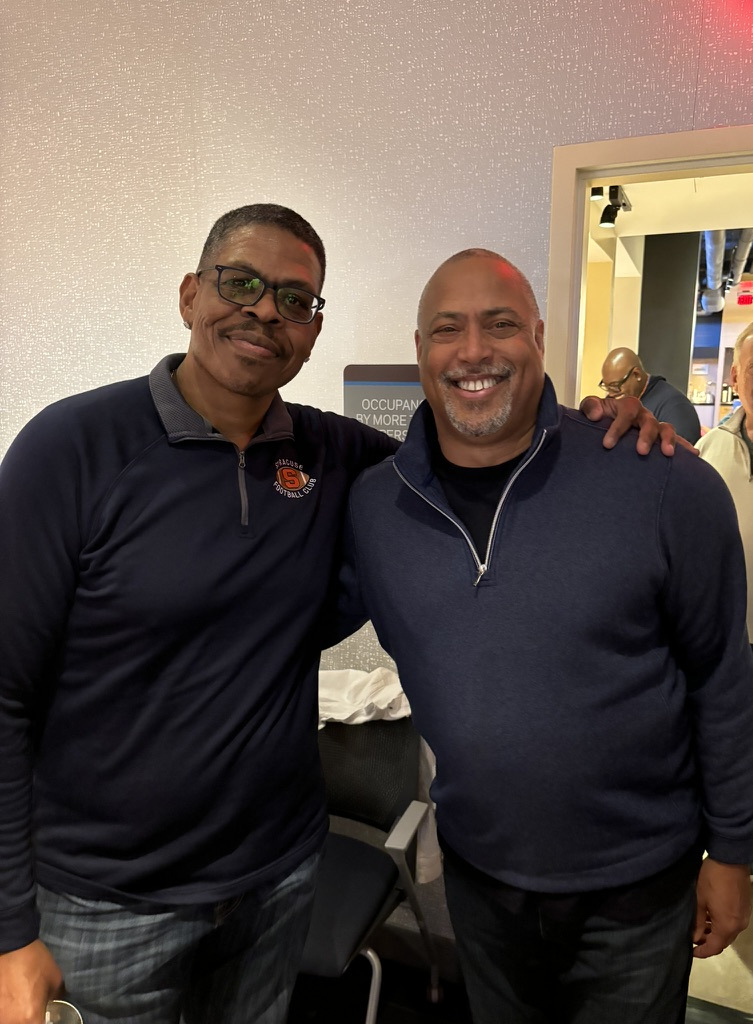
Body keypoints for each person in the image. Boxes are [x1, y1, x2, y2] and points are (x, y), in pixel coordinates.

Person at [0, 205, 675, 1024]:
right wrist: (9, 929)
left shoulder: (334, 456)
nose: (264, 311)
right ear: (189, 295)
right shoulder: (70, 449)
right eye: (239, 283)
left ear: (313, 330)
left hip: (274, 880)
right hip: (102, 904)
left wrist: (598, 429)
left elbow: (475, 455)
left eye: (294, 299)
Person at [336, 249, 753, 1024]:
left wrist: (734, 854)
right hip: (480, 881)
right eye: (448, 329)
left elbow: (724, 683)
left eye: (500, 324)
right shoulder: (374, 508)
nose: (473, 350)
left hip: (639, 890)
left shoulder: (664, 483)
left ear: (538, 337)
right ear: (421, 350)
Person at [696, 317, 753, 971]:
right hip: (721, 649)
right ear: (737, 376)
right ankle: (729, 869)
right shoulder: (709, 449)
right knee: (729, 768)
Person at [600, 346, 702, 443]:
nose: (610, 394)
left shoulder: (676, 407)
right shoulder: (616, 400)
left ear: (636, 375)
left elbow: (680, 452)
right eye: (607, 387)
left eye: (615, 386)